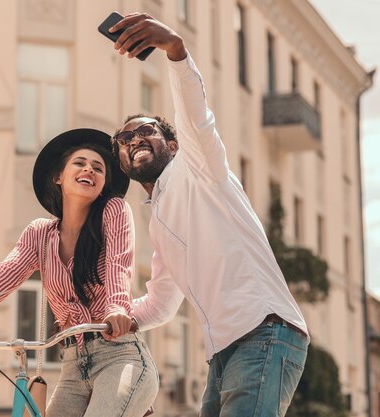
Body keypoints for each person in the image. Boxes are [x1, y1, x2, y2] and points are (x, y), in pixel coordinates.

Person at [108, 13, 310, 417]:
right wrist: (115, 318)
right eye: (125, 139)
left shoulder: (198, 167)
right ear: (124, 164)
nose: (134, 140)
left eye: (145, 130)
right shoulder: (159, 219)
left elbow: (196, 115)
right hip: (223, 353)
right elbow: (163, 304)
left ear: (174, 144)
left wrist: (175, 50)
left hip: (264, 330)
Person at [0, 128, 158, 417]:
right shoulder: (39, 234)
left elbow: (120, 263)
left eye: (98, 168)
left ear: (103, 185)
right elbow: (7, 270)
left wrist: (117, 307)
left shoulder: (114, 211)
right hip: (72, 365)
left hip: (120, 356)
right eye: (79, 163)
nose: (89, 170)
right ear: (59, 177)